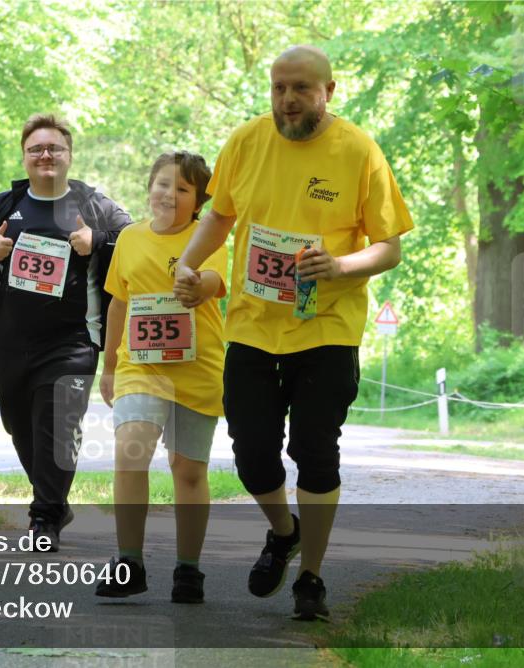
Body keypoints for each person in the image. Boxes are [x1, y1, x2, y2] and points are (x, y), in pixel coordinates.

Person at [175, 45, 413, 621]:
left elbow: (389, 246)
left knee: (314, 450)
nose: (288, 99)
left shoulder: (359, 151)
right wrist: (186, 263)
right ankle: (284, 532)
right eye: (279, 87)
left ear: (329, 90)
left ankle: (312, 577)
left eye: (301, 88)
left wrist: (340, 266)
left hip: (327, 327)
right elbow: (221, 215)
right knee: (253, 455)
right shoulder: (247, 141)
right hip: (254, 325)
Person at [0, 114, 131, 550]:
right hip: (11, 343)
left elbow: (136, 239)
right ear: (25, 157)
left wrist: (95, 240)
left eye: (54, 148)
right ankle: (56, 501)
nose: (45, 155)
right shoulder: (6, 206)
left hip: (72, 343)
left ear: (68, 155)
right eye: (36, 149)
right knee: (20, 427)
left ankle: (44, 518)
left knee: (57, 430)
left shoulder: (92, 205)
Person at [93, 152, 227, 604]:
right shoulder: (129, 239)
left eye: (182, 189)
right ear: (149, 187)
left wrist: (196, 284)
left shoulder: (209, 236)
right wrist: (109, 366)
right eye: (162, 184)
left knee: (187, 469)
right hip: (140, 367)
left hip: (197, 369)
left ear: (198, 201)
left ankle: (188, 570)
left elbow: (213, 280)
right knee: (130, 451)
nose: (168, 194)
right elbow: (117, 304)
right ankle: (129, 562)